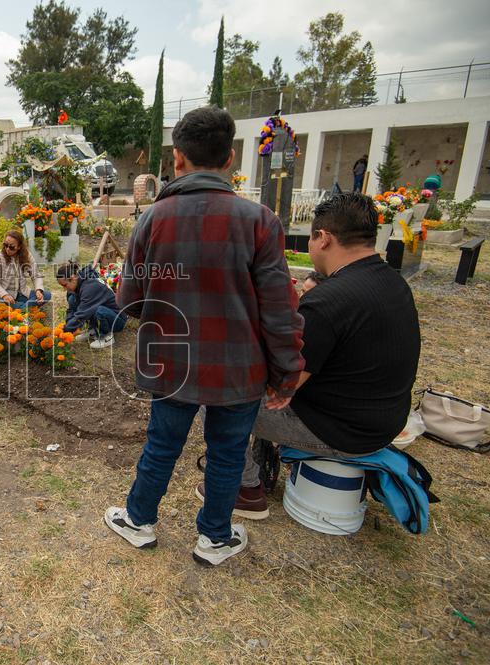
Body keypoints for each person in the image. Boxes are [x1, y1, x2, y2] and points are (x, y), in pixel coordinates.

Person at [103, 106, 304, 565]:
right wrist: (286, 371)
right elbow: (279, 307)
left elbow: (129, 302)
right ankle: (214, 536)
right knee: (228, 453)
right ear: (229, 158)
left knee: (162, 444)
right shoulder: (259, 221)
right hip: (238, 366)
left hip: (170, 362)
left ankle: (138, 520)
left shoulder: (151, 220)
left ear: (178, 159)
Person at [219, 193, 421, 519]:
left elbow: (280, 384)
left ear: (323, 238)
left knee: (213, 394)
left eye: (312, 239)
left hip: (343, 431)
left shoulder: (328, 302)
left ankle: (244, 489)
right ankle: (260, 455)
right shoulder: (392, 281)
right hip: (385, 418)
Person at [55, 261, 124, 349]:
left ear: (73, 278)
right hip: (104, 310)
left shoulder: (90, 287)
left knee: (97, 310)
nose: (64, 289)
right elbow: (71, 309)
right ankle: (93, 329)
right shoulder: (77, 285)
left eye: (65, 285)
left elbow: (82, 314)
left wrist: (65, 330)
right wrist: (68, 324)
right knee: (73, 299)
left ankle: (106, 336)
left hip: (117, 318)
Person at [0, 230, 50, 308]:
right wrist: (5, 295)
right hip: (4, 295)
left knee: (47, 295)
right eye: (5, 245)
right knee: (8, 304)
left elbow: (36, 275)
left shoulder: (26, 255)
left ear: (19, 247)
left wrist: (38, 290)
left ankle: (20, 309)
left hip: (22, 293)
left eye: (11, 247)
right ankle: (24, 309)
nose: (7, 249)